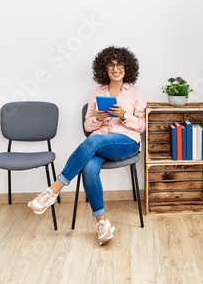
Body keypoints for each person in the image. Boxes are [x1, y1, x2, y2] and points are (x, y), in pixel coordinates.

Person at [28, 46, 146, 245]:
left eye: (119, 65)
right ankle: (102, 223)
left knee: (93, 141)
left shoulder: (135, 93)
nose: (115, 69)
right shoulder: (96, 92)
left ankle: (53, 191)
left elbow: (142, 126)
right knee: (89, 168)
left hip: (126, 142)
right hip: (100, 141)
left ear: (127, 67)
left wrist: (123, 115)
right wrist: (98, 118)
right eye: (111, 65)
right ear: (104, 68)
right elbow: (87, 125)